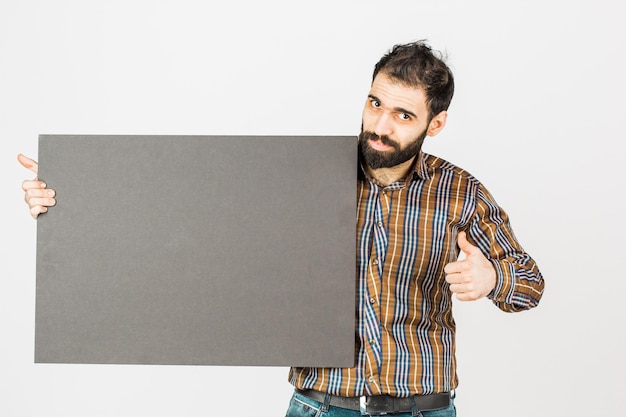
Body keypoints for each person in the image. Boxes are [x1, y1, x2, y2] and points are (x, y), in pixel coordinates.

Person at [19, 40, 544, 416]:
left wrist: (493, 279)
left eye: (403, 116)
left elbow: (530, 283)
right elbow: (179, 215)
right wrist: (70, 201)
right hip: (320, 406)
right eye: (375, 103)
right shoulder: (302, 176)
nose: (380, 125)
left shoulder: (460, 192)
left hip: (422, 409)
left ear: (436, 124)